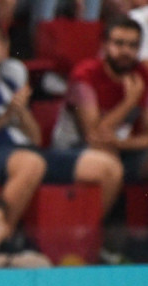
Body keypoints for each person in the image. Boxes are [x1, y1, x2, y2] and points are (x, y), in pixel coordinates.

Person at [0, 17, 123, 228]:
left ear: (5, 49)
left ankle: (79, 237)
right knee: (31, 163)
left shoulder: (9, 85)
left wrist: (21, 112)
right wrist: (4, 118)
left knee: (108, 168)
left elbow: (35, 139)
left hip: (27, 152)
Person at [54, 15, 148, 183]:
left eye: (133, 45)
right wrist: (129, 102)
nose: (126, 51)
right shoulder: (85, 75)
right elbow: (94, 135)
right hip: (73, 149)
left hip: (120, 148)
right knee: (106, 157)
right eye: (119, 44)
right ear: (104, 45)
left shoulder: (141, 75)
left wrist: (121, 144)